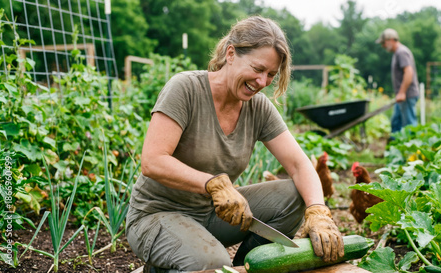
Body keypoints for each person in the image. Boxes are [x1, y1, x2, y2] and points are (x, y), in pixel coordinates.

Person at [126, 16, 344, 272]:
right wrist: (212, 184)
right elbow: (152, 161)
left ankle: (246, 267)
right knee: (214, 263)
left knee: (295, 195)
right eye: (257, 69)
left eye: (271, 75)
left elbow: (299, 164)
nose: (262, 82)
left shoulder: (258, 107)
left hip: (211, 216)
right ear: (231, 53)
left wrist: (318, 211)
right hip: (156, 216)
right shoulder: (186, 89)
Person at [376, 28, 419, 140]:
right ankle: (394, 152)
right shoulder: (397, 53)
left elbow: (409, 72)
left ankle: (413, 152)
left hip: (407, 95)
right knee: (396, 123)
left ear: (390, 40)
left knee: (409, 126)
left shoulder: (401, 52)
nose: (383, 46)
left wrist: (402, 93)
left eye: (383, 43)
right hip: (402, 96)